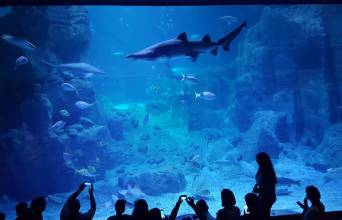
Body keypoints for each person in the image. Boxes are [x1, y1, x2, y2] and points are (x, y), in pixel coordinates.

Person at [253, 152, 277, 220]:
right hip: (264, 196)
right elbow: (260, 183)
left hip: (267, 197)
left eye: (257, 160)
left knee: (264, 216)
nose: (256, 161)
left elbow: (268, 188)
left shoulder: (267, 172)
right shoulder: (261, 169)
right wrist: (257, 186)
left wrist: (258, 189)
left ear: (262, 161)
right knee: (264, 215)